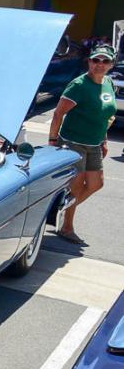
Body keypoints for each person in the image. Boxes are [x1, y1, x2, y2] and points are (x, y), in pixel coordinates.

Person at [50, 45, 117, 244]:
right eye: (96, 60)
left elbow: (106, 116)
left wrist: (104, 140)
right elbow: (58, 114)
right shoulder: (79, 85)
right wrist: (53, 141)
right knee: (77, 187)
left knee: (96, 184)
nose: (99, 64)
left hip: (94, 143)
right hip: (73, 142)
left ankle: (57, 211)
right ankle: (67, 227)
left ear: (111, 65)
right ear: (89, 61)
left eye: (105, 61)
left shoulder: (108, 83)